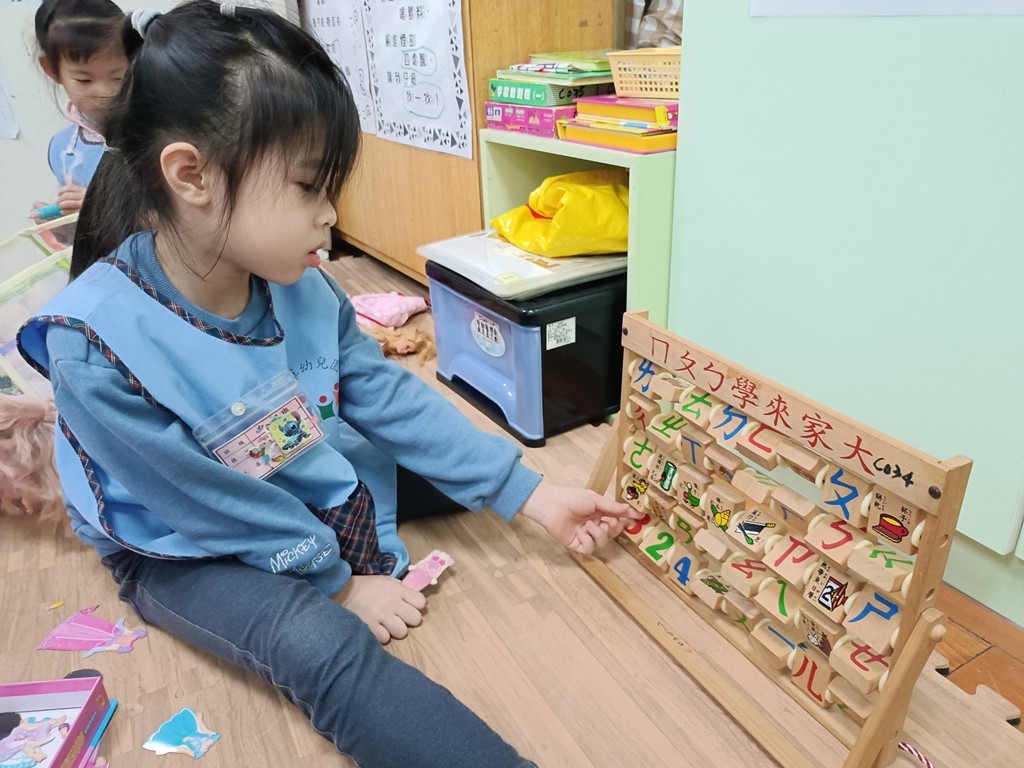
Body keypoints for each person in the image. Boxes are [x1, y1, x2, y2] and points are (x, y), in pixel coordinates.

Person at [16, 3, 637, 767]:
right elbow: (207, 504)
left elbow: (385, 398)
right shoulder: (93, 344)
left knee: (436, 465)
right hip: (179, 543)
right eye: (310, 187)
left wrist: (534, 495)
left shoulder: (303, 285)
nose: (330, 215)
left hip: (276, 468)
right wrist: (340, 584)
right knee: (317, 644)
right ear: (191, 175)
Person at [32, 0, 134, 222]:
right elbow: (81, 233)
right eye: (84, 80)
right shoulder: (63, 149)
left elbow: (183, 220)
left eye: (119, 77)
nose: (106, 92)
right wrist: (59, 224)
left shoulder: (155, 133)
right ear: (51, 70)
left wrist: (100, 207)